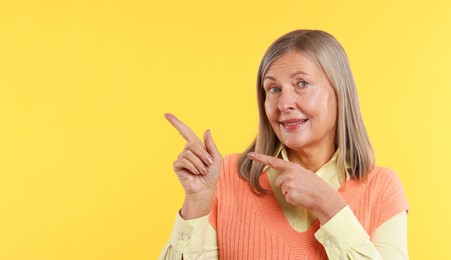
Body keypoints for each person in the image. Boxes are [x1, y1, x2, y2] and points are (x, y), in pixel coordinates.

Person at [159, 30, 409, 259]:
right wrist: (198, 201)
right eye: (274, 89)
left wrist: (329, 205)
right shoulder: (224, 177)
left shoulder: (382, 189)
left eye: (302, 84)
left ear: (339, 92)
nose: (283, 103)